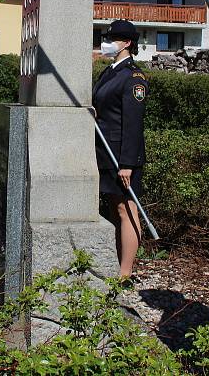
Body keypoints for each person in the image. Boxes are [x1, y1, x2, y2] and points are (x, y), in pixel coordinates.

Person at [92, 20, 149, 278]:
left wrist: (127, 163)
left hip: (122, 157)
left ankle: (125, 273)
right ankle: (119, 265)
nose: (106, 42)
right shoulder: (110, 72)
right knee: (117, 209)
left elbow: (133, 124)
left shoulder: (133, 77)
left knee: (128, 210)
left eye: (112, 38)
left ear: (127, 43)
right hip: (106, 152)